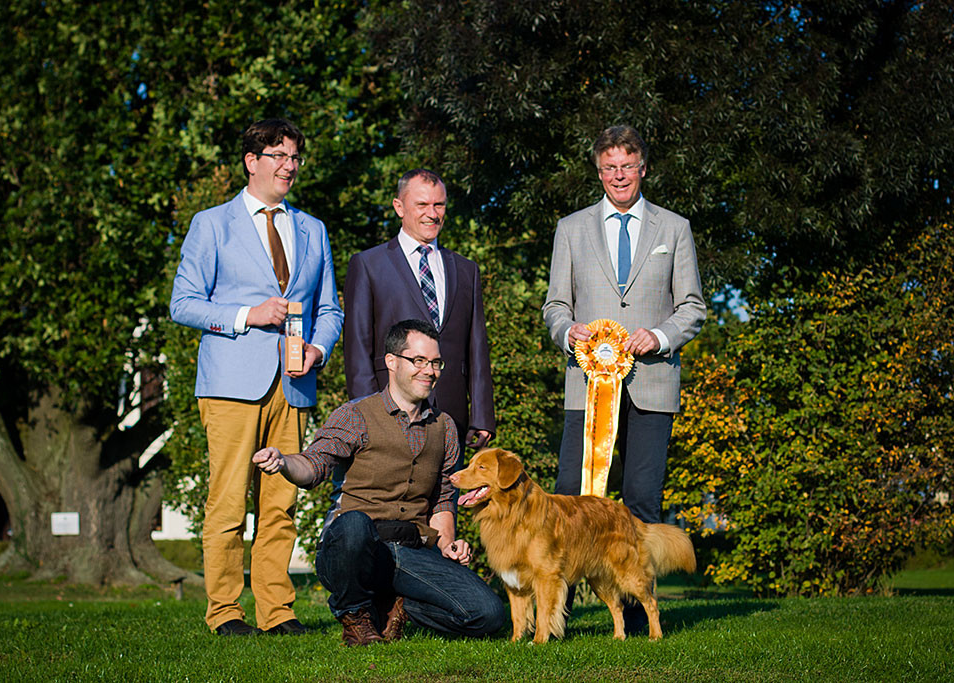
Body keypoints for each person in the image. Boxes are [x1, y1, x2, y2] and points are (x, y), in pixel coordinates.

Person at [170, 118, 343, 636]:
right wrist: (249, 315)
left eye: (294, 157)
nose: (289, 165)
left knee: (281, 503)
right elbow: (183, 304)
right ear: (252, 162)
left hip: (294, 382)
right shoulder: (211, 224)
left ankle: (277, 611)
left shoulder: (313, 228)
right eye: (279, 156)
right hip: (230, 384)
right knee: (227, 502)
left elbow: (329, 308)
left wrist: (318, 347)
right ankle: (224, 612)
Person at [252, 320, 505, 646]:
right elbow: (314, 464)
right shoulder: (355, 415)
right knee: (355, 525)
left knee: (488, 613)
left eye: (435, 362)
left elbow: (443, 498)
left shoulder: (444, 426)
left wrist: (447, 545)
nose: (429, 371)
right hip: (352, 550)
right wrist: (285, 462)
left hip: (409, 551)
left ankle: (397, 607)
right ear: (391, 361)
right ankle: (355, 616)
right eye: (418, 361)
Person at [542, 124, 706, 626]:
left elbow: (694, 308)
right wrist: (569, 331)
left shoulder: (674, 228)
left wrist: (657, 337)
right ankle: (556, 610)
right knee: (570, 498)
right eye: (609, 167)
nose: (619, 175)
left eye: (627, 167)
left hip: (653, 384)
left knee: (640, 500)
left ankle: (637, 615)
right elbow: (554, 305)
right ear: (598, 171)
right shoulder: (570, 228)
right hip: (586, 387)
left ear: (643, 169)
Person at [343, 169, 495, 451]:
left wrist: (483, 415)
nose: (433, 213)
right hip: (388, 413)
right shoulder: (368, 265)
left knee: (448, 496)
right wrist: (367, 416)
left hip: (452, 417)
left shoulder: (466, 269)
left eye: (439, 205)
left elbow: (476, 348)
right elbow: (357, 350)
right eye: (422, 205)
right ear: (399, 207)